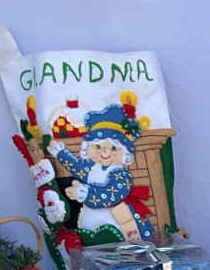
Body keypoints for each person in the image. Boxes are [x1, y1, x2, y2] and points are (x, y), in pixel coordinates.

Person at [48, 104, 154, 243]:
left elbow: (112, 193)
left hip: (116, 219)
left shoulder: (120, 173)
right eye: (98, 147)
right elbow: (77, 167)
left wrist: (86, 193)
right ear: (88, 147)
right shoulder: (92, 167)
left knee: (114, 240)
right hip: (91, 221)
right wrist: (61, 153)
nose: (105, 152)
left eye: (114, 149)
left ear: (124, 153)